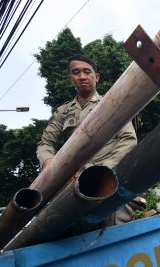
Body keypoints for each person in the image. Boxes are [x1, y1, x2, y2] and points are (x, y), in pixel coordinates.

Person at [36, 54, 140, 225]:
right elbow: (45, 143)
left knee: (116, 234)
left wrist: (100, 172)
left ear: (96, 77)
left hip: (109, 181)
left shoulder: (112, 103)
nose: (82, 77)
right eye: (76, 72)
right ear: (70, 77)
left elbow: (128, 140)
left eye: (87, 72)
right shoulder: (63, 111)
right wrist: (48, 163)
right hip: (72, 187)